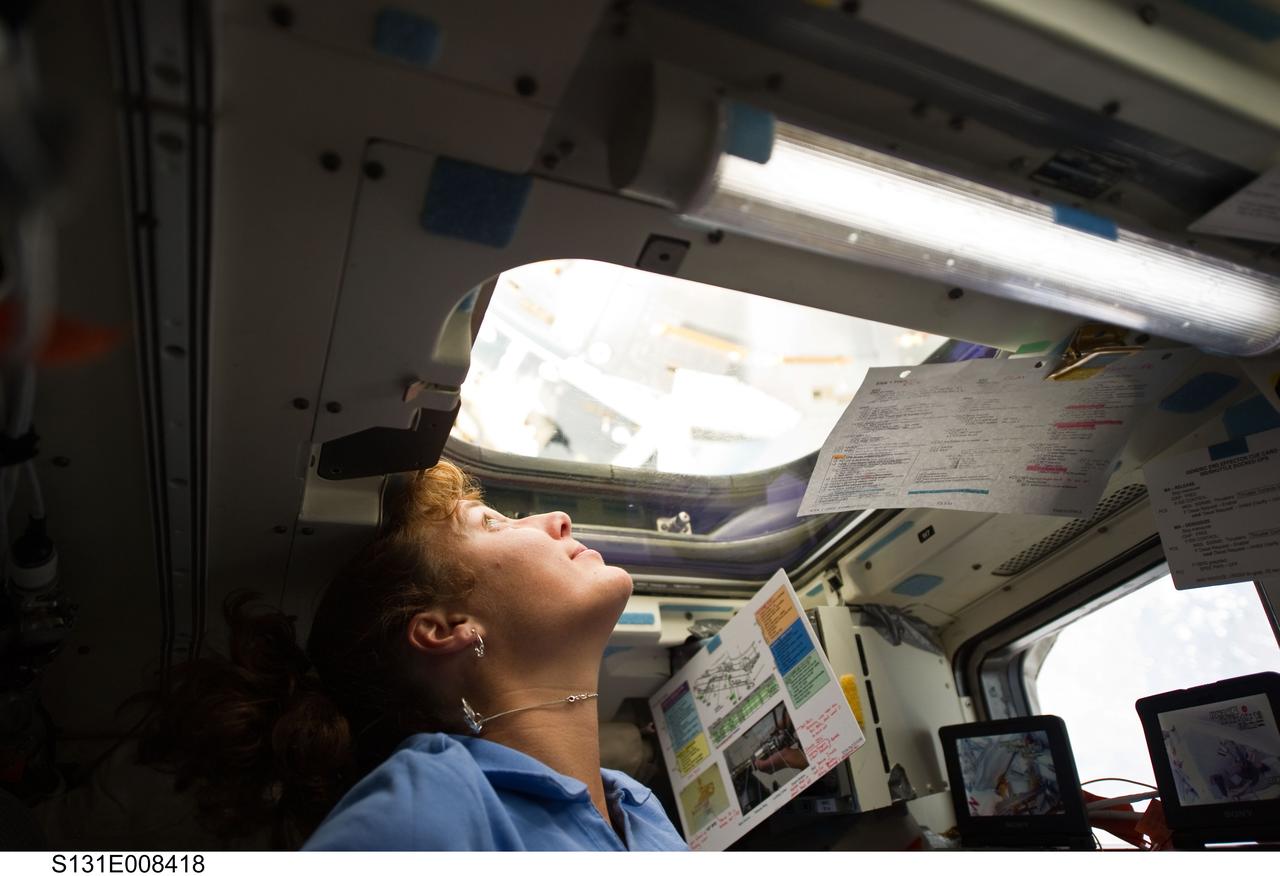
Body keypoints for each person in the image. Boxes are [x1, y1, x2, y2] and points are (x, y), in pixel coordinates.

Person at [136, 461, 688, 851]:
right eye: (493, 522)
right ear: (446, 629)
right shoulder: (429, 804)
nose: (557, 520)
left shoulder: (637, 805)